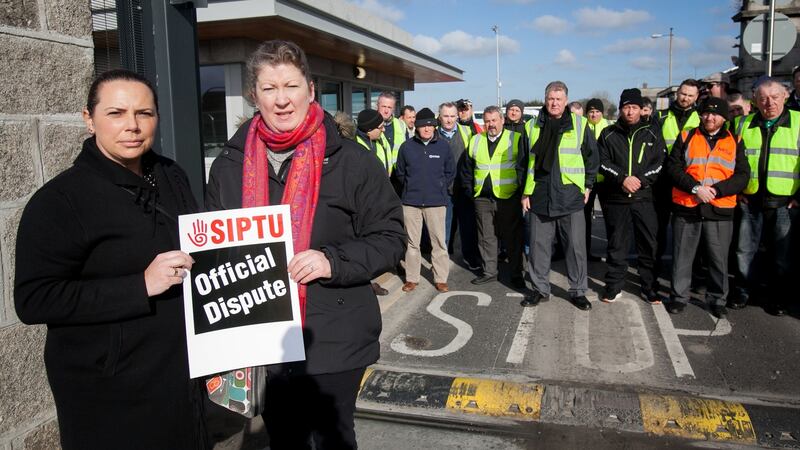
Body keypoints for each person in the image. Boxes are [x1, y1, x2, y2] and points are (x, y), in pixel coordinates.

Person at [205, 40, 405, 448]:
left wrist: (332, 261)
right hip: (261, 337)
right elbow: (213, 250)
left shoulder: (352, 161)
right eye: (269, 88)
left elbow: (391, 239)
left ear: (310, 90)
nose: (282, 100)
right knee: (285, 439)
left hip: (333, 334)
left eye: (291, 86)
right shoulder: (229, 164)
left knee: (332, 438)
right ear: (253, 95)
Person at [14, 69, 204, 449]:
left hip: (180, 377)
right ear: (89, 119)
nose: (132, 126)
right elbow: (34, 299)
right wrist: (140, 285)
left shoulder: (172, 175)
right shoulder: (61, 201)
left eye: (144, 113)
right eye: (116, 113)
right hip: (109, 390)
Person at [665, 97, 749, 317]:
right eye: (706, 113)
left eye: (716, 114)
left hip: (719, 209)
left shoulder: (735, 140)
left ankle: (718, 299)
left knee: (718, 259)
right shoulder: (687, 136)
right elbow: (673, 168)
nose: (710, 117)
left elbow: (742, 176)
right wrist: (695, 188)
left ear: (724, 117)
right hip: (688, 206)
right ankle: (678, 297)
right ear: (701, 115)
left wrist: (716, 190)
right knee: (682, 256)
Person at [520, 81, 599, 310]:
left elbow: (592, 159)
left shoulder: (580, 125)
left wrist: (587, 186)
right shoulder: (531, 126)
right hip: (540, 195)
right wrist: (525, 193)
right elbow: (524, 163)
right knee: (538, 248)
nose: (554, 103)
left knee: (575, 248)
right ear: (545, 100)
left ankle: (578, 291)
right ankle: (539, 289)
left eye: (559, 99)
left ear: (566, 101)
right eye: (550, 99)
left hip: (570, 195)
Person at [731, 78, 800, 316]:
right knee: (744, 251)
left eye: (774, 97)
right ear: (755, 101)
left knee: (781, 255)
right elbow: (731, 162)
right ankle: (742, 290)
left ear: (786, 97)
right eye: (762, 98)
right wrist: (737, 190)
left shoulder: (799, 122)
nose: (768, 102)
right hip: (750, 200)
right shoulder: (742, 124)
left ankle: (778, 297)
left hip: (784, 202)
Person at [597, 88, 665, 304]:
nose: (630, 112)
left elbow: (659, 164)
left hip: (644, 199)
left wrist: (640, 181)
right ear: (621, 109)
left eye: (634, 107)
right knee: (617, 245)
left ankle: (649, 287)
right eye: (626, 107)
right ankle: (614, 285)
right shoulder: (608, 134)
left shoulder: (652, 133)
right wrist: (622, 178)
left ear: (640, 109)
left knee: (648, 245)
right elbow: (601, 162)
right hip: (616, 199)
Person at [462, 105, 526, 288]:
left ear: (502, 120)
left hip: (509, 197)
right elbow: (466, 169)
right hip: (482, 198)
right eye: (487, 121)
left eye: (494, 120)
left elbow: (523, 168)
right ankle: (489, 272)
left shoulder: (515, 139)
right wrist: (470, 191)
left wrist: (521, 194)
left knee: (512, 237)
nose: (491, 125)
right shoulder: (475, 140)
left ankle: (516, 274)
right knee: (486, 237)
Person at [395, 108, 455, 293]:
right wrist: (411, 187)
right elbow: (400, 173)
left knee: (439, 243)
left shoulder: (444, 147)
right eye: (423, 125)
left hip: (436, 202)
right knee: (412, 243)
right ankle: (412, 278)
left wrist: (438, 187)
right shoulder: (407, 147)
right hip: (411, 202)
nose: (427, 128)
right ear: (417, 127)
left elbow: (450, 172)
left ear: (434, 126)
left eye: (430, 125)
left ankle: (440, 278)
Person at [655, 79, 701, 275]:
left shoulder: (701, 119)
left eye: (690, 95)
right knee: (659, 229)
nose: (686, 98)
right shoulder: (661, 116)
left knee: (689, 233)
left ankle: (692, 273)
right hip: (663, 182)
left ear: (696, 97)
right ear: (677, 93)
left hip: (689, 183)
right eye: (683, 94)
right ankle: (655, 269)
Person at [353, 108, 394, 297]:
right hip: (363, 204)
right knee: (362, 242)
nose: (384, 130)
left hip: (378, 199)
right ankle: (366, 283)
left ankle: (372, 278)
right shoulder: (356, 146)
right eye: (380, 127)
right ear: (369, 129)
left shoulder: (378, 140)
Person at [438, 101, 482, 270]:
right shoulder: (434, 135)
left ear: (457, 116)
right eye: (445, 116)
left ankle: (470, 257)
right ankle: (442, 262)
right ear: (440, 117)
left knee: (468, 227)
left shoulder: (467, 132)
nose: (449, 120)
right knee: (444, 229)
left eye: (452, 116)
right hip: (443, 191)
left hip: (464, 189)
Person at [585, 98, 609, 261]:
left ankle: (613, 252)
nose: (594, 114)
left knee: (610, 217)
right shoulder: (582, 126)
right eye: (591, 111)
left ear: (602, 113)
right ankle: (586, 252)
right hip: (588, 180)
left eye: (597, 111)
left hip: (606, 180)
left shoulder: (609, 127)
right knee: (585, 218)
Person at [377, 91, 407, 158]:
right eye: (384, 106)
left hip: (397, 167)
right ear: (377, 106)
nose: (386, 111)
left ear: (393, 109)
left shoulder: (401, 125)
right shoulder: (370, 124)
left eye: (389, 107)